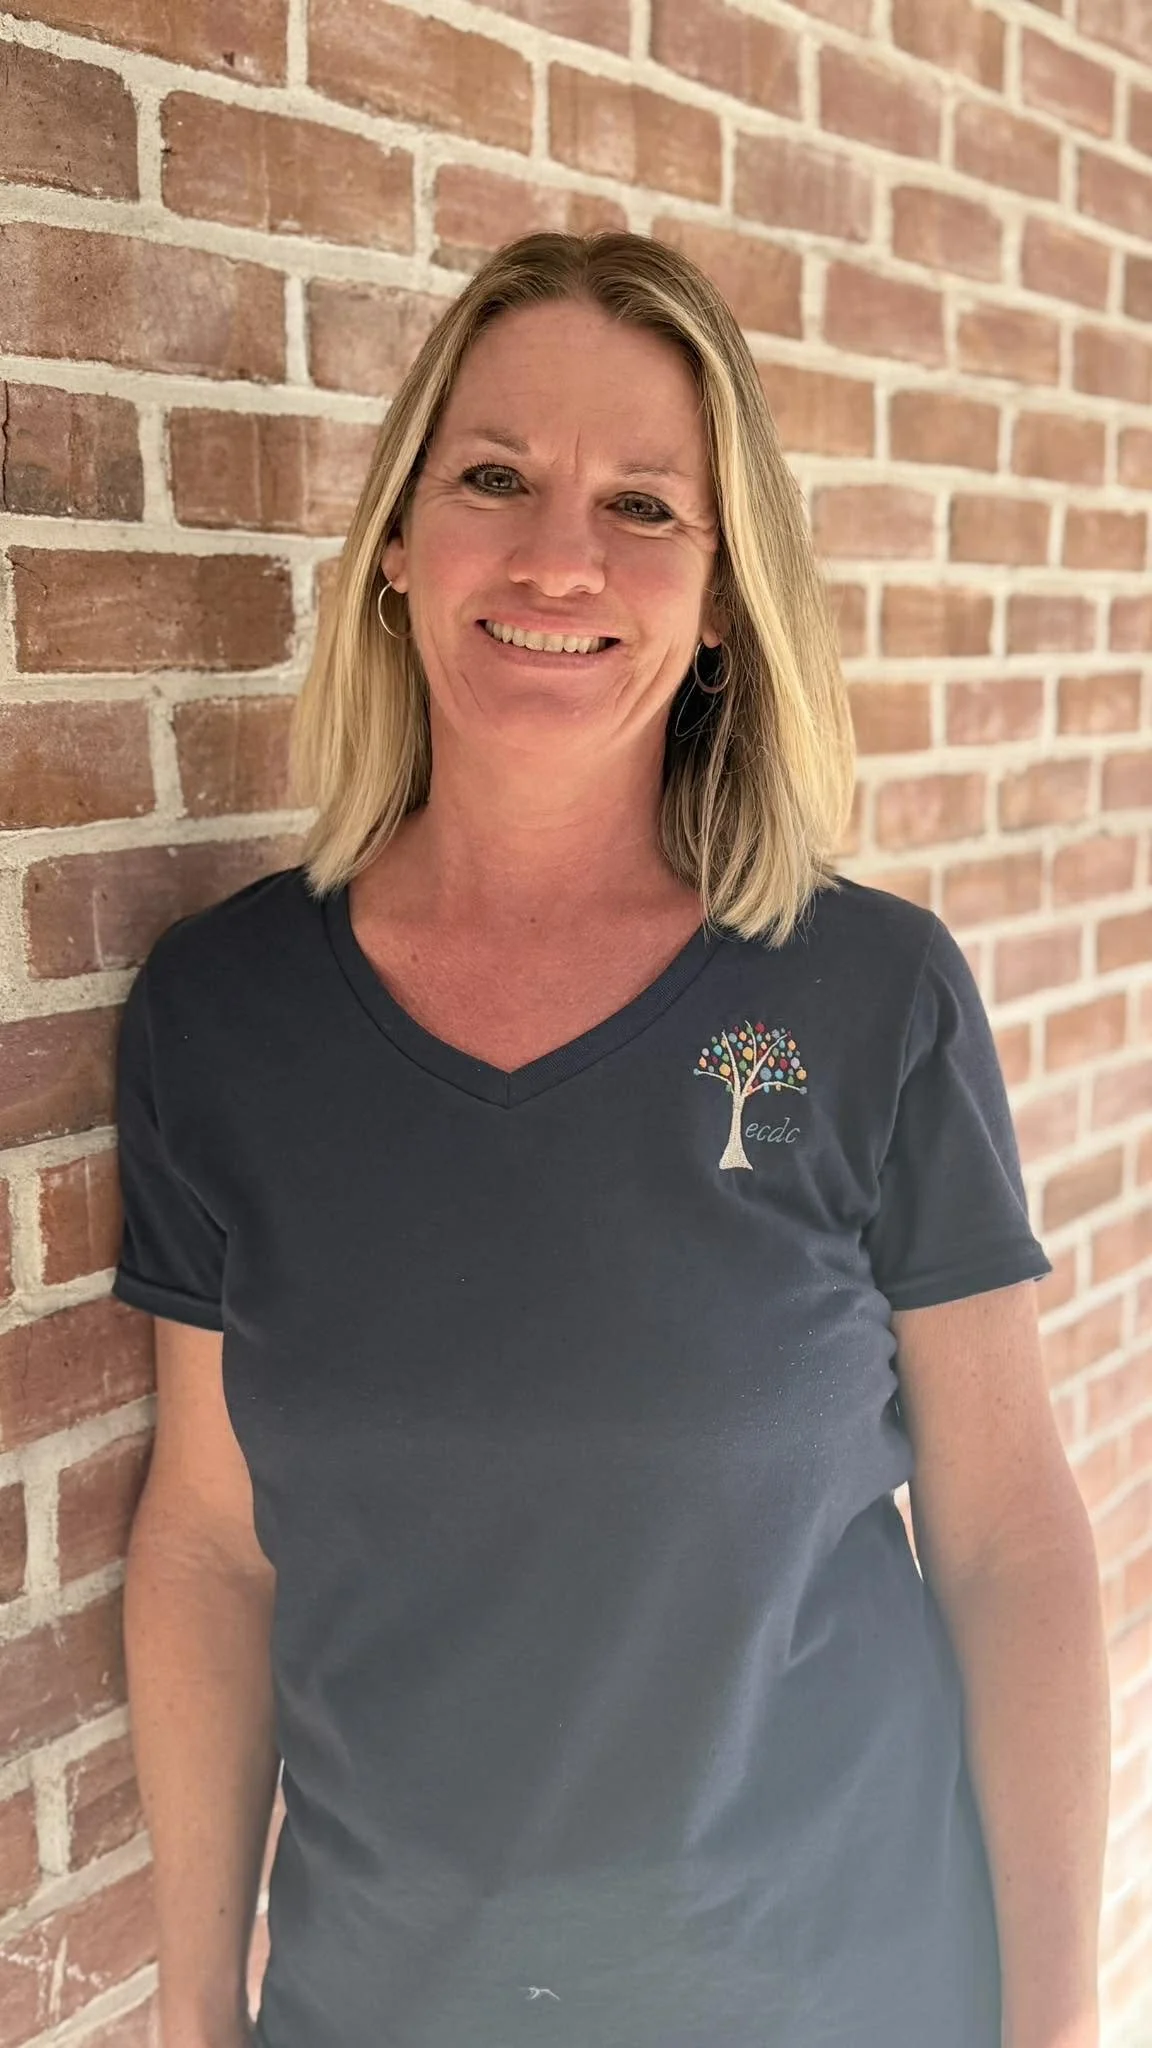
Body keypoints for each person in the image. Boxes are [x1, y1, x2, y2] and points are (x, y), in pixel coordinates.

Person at [114, 231, 1063, 2048]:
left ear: (724, 601)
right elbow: (213, 1546)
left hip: (837, 1993)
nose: (560, 557)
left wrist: (1065, 2017)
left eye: (644, 504)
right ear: (397, 547)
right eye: (493, 479)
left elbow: (1010, 1534)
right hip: (390, 2002)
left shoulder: (866, 997)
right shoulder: (219, 1020)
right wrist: (188, 2003)